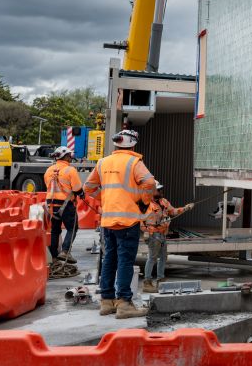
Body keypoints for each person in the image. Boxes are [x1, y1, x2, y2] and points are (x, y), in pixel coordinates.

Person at [84, 129, 156, 319]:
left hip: (108, 220)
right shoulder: (134, 162)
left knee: (109, 259)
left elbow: (88, 187)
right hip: (127, 220)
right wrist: (143, 202)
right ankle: (124, 303)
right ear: (133, 144)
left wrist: (105, 199)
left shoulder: (103, 162)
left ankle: (107, 302)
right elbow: (149, 183)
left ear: (117, 143)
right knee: (125, 260)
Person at [141, 183, 193, 293]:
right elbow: (141, 220)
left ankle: (160, 279)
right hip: (153, 234)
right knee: (152, 258)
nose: (161, 191)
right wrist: (146, 232)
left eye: (161, 189)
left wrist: (185, 208)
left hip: (162, 234)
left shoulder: (164, 202)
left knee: (163, 257)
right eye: (158, 190)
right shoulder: (146, 204)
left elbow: (173, 211)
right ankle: (147, 282)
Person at [43, 146, 84, 264]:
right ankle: (65, 251)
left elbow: (48, 185)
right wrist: (81, 194)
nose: (71, 157)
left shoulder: (49, 170)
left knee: (55, 230)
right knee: (72, 228)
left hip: (51, 204)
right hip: (65, 204)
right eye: (69, 155)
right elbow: (77, 188)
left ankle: (54, 256)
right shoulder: (70, 170)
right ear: (65, 157)